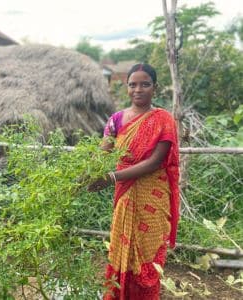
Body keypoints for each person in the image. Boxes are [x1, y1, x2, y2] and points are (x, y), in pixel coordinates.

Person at [88, 63, 179, 300]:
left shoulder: (163, 119)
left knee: (147, 255)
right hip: (125, 195)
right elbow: (102, 153)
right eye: (132, 84)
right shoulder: (116, 120)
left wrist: (112, 177)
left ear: (155, 88)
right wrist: (82, 174)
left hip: (153, 196)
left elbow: (156, 162)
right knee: (121, 249)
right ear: (126, 88)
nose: (138, 89)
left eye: (145, 84)